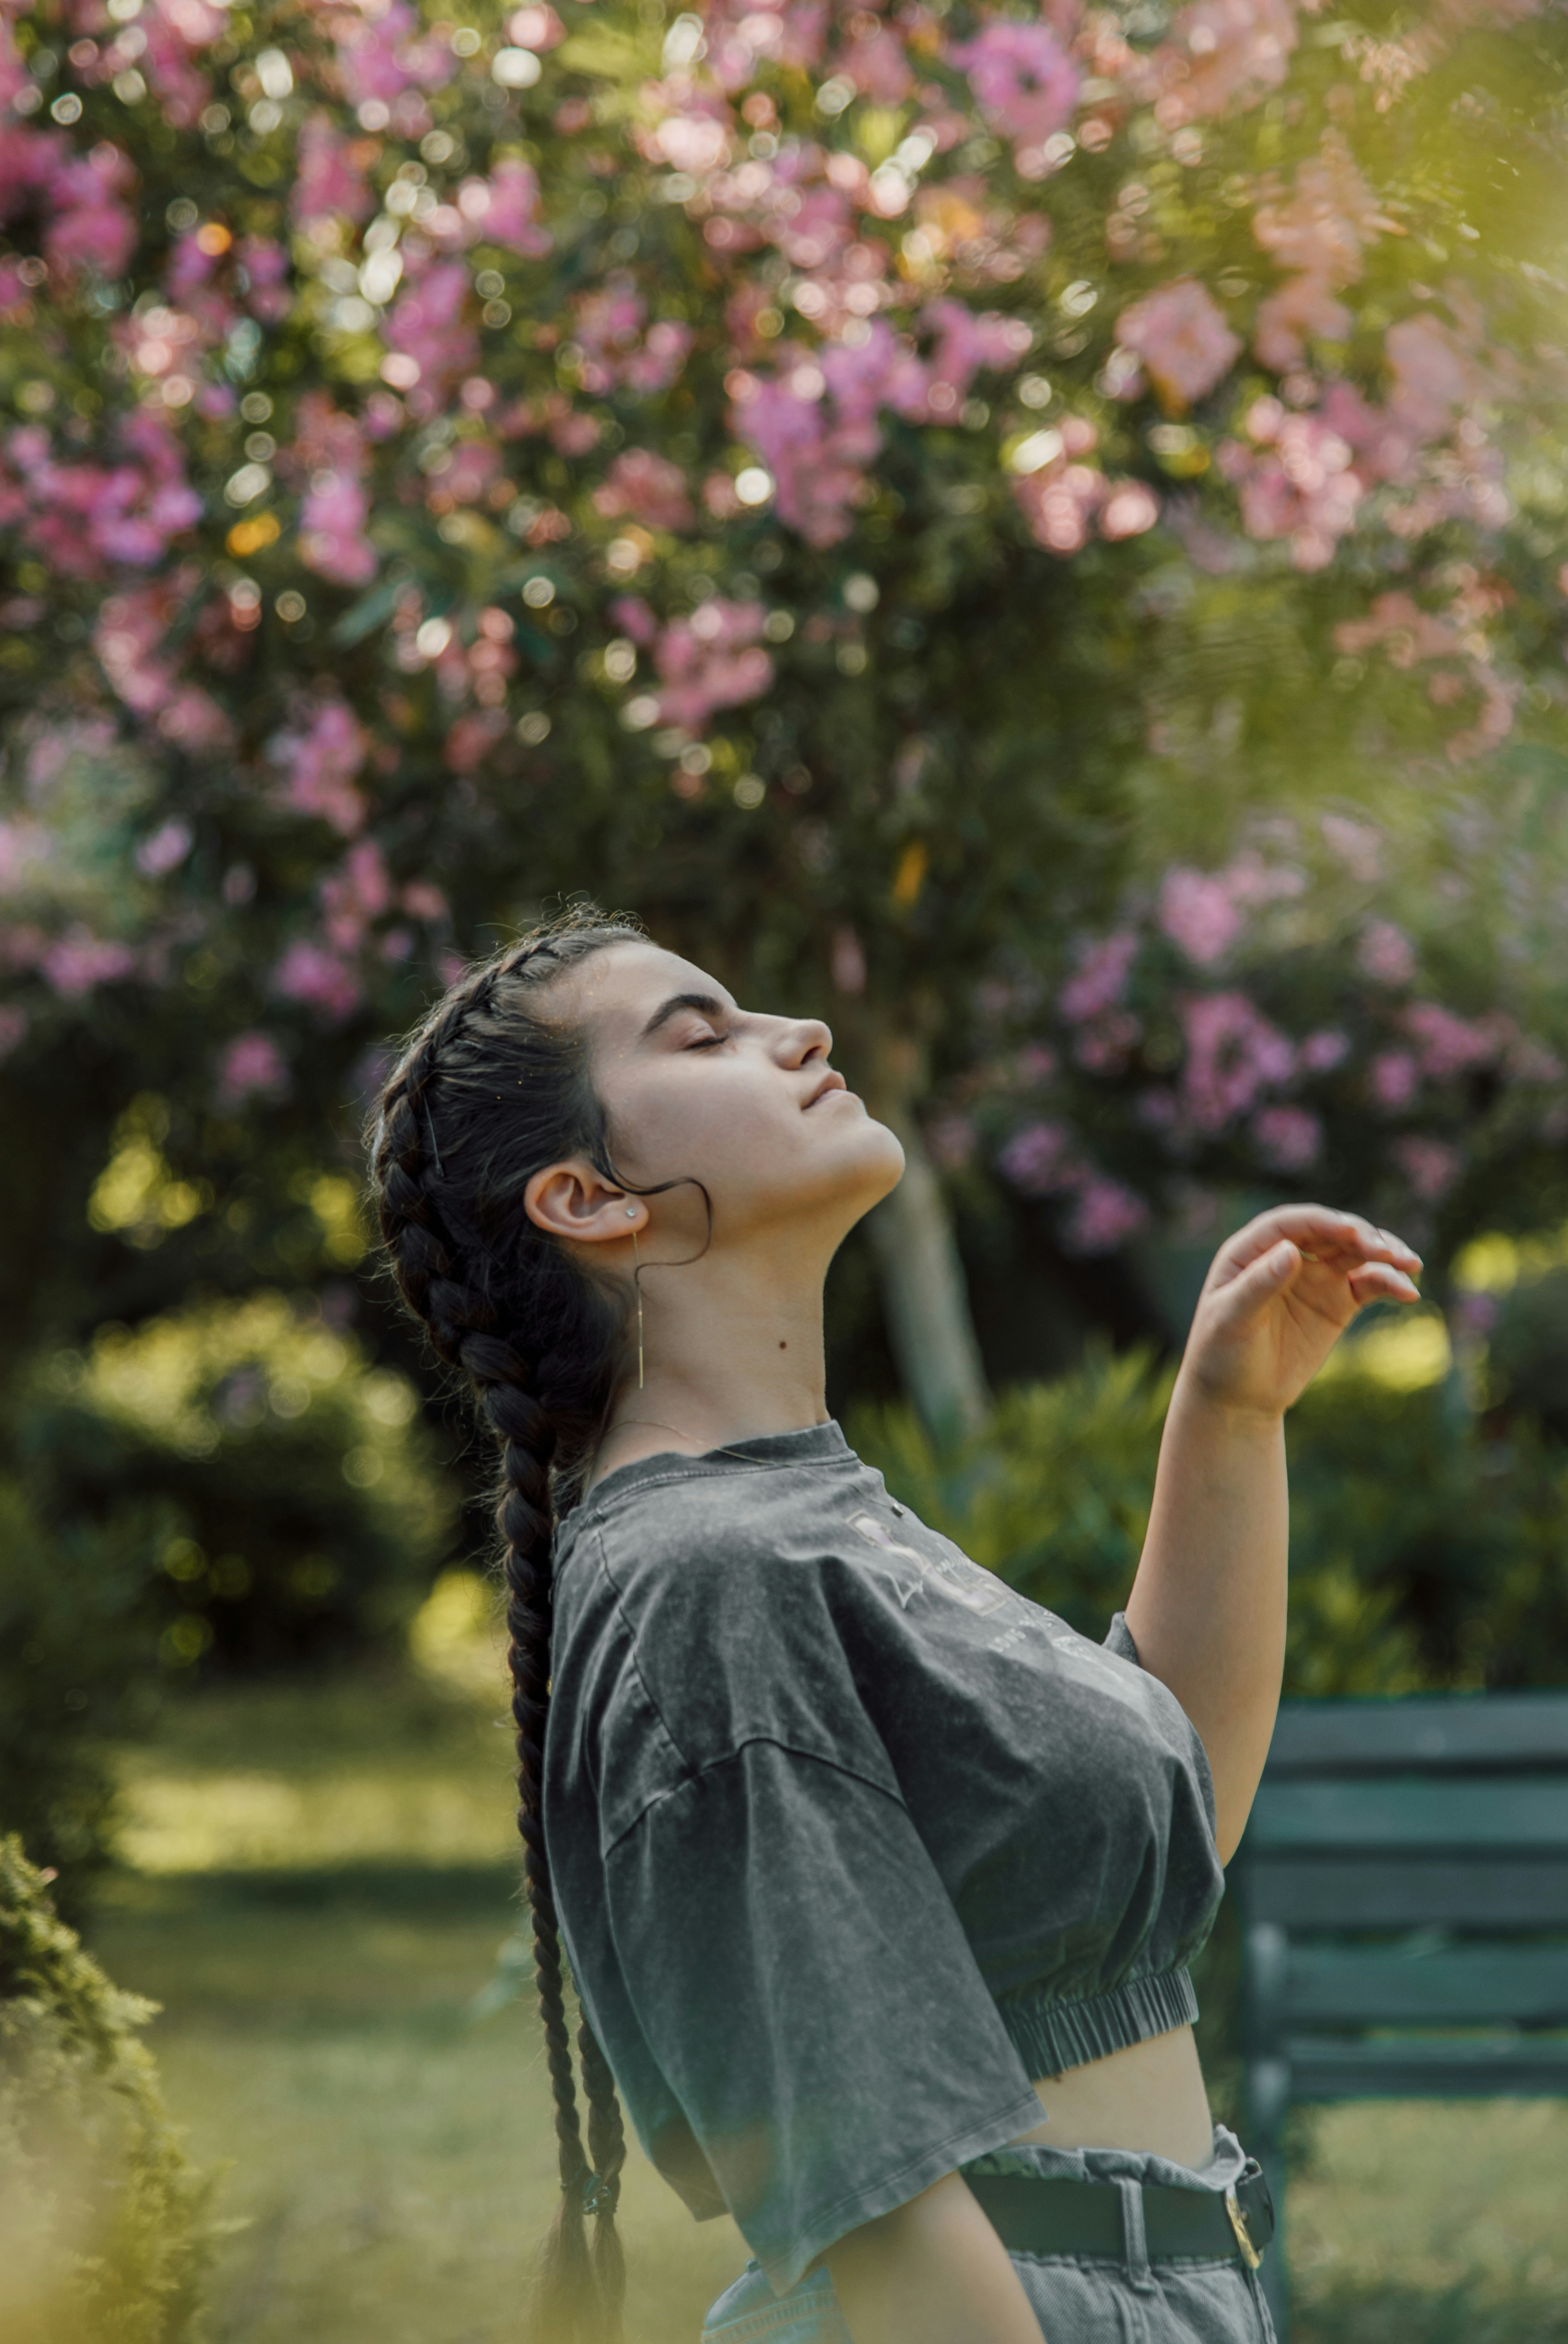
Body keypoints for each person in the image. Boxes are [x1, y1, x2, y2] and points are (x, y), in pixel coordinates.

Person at [368, 906, 1422, 2344]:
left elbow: (1168, 1835)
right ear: (593, 1197)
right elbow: (885, 2202)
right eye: (703, 1032)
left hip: (1145, 2285)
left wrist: (1231, 1412)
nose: (797, 1031)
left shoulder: (795, 1514)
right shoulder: (706, 1580)